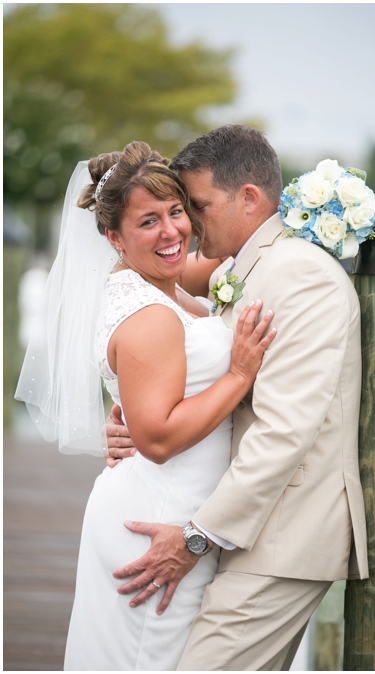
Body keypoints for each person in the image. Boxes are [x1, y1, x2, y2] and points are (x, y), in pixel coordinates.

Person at [105, 125, 369, 669]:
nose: (189, 222)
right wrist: (136, 416)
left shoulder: (300, 276)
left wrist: (196, 538)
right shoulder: (243, 269)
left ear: (248, 198)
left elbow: (284, 430)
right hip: (242, 528)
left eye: (196, 205)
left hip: (281, 537)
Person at [16, 142, 277, 669]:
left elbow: (238, 254)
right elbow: (156, 439)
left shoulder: (167, 281)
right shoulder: (148, 313)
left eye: (177, 212)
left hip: (175, 509)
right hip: (158, 521)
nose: (171, 232)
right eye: (148, 222)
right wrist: (239, 374)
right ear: (113, 237)